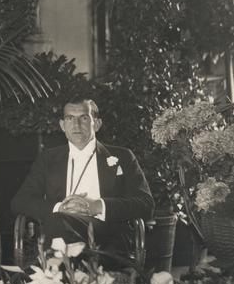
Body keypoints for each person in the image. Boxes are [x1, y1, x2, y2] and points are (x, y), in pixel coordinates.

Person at [11, 98, 154, 255]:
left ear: (97, 124)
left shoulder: (123, 156)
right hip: (59, 231)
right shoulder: (48, 159)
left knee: (57, 227)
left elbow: (146, 204)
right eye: (70, 118)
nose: (76, 124)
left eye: (84, 118)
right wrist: (60, 208)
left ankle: (54, 269)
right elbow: (20, 201)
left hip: (107, 240)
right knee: (58, 221)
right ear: (62, 125)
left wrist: (98, 206)